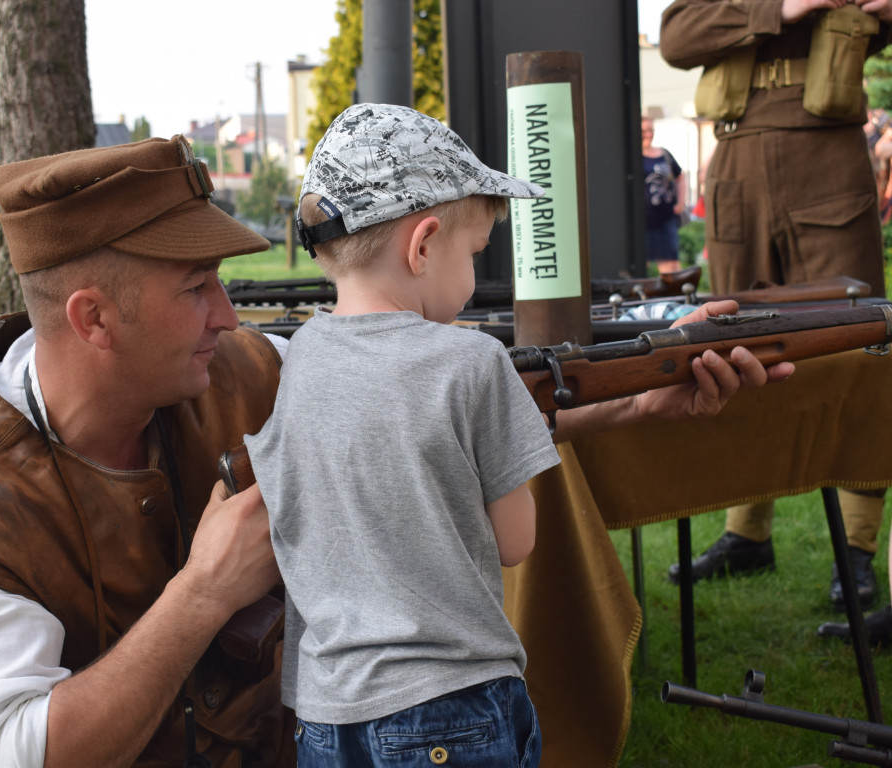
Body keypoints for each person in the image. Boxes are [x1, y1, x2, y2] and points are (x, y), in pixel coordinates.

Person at [243, 103, 795, 767]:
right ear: (422, 246)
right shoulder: (469, 361)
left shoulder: (299, 358)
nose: (475, 277)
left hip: (326, 715)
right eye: (474, 252)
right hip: (453, 707)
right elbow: (516, 540)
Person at [0, 135, 296, 767]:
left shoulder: (248, 372)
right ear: (93, 319)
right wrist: (205, 592)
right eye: (195, 288)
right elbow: (24, 754)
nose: (228, 316)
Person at [660, 0, 890, 627]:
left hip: (828, 152)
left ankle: (857, 546)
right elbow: (676, 36)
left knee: (857, 344)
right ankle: (748, 532)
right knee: (735, 339)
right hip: (737, 158)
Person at [641, 115, 686, 274]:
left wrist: (680, 203)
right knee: (640, 265)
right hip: (642, 221)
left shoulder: (664, 154)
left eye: (650, 130)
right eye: (643, 130)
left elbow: (680, 176)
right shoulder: (632, 156)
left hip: (666, 218)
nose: (648, 134)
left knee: (671, 267)